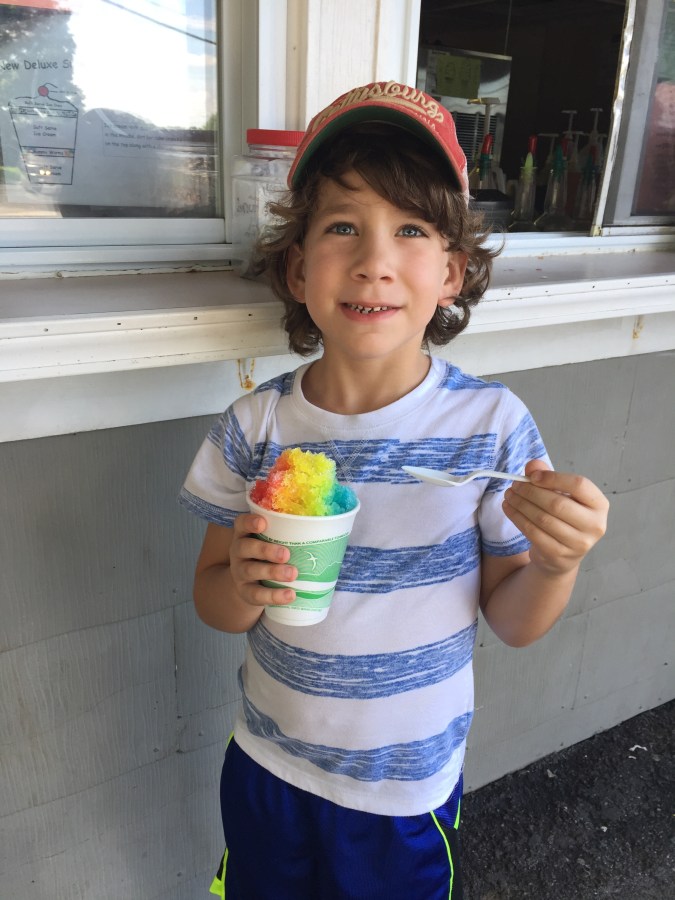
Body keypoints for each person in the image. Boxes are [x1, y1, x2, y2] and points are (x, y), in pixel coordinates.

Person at [179, 81, 609, 900]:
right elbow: (212, 600)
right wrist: (241, 584)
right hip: (268, 765)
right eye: (342, 226)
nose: (373, 259)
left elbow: (514, 621)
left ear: (450, 273)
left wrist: (557, 565)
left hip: (400, 796)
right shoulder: (254, 425)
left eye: (410, 229)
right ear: (298, 267)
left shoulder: (489, 426)